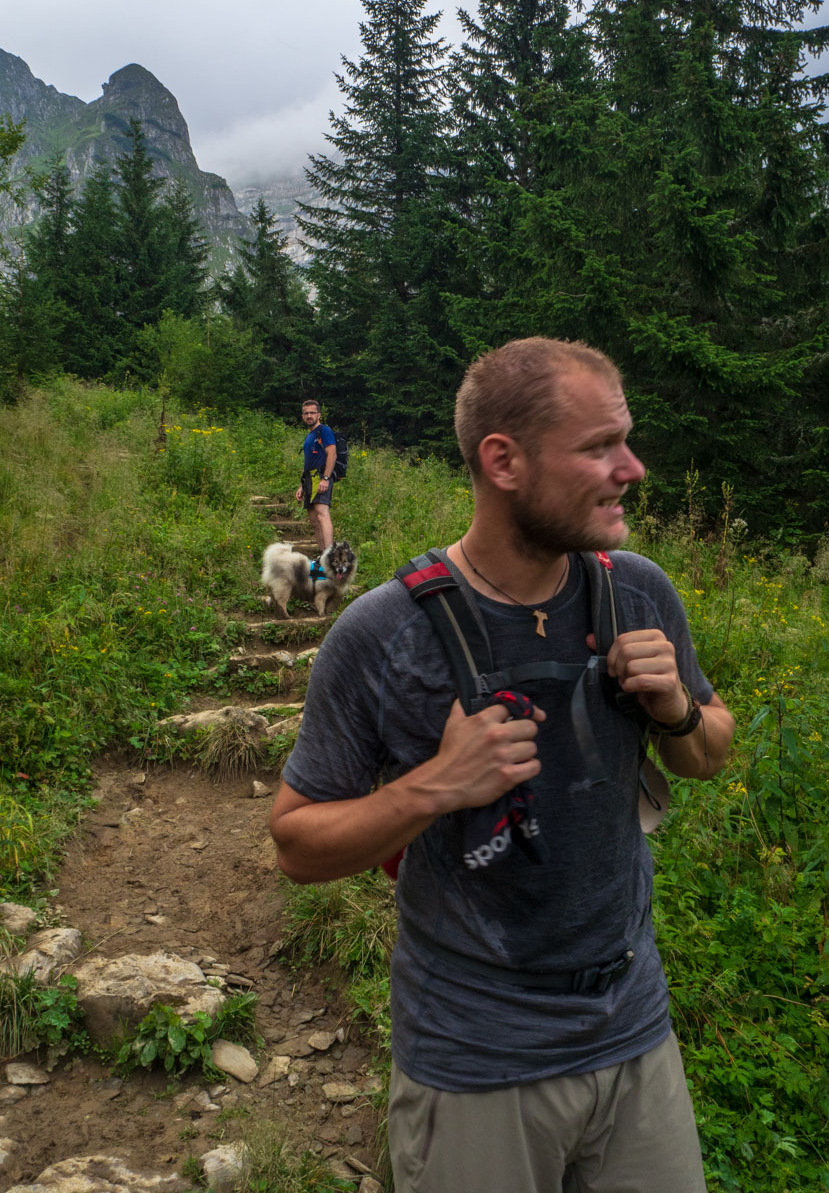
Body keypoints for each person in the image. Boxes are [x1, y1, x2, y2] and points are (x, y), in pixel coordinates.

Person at [270, 337, 734, 1193]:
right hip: (474, 1059)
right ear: (503, 460)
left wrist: (673, 710)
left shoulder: (636, 590)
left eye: (624, 441)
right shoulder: (379, 633)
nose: (629, 467)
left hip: (634, 1032)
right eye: (598, 447)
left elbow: (708, 752)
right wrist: (437, 786)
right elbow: (296, 844)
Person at [296, 398, 337, 549]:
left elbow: (332, 454)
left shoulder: (324, 431)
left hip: (320, 476)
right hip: (309, 479)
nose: (309, 416)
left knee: (322, 513)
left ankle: (330, 556)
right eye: (306, 413)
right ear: (302, 416)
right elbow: (308, 461)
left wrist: (325, 478)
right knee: (314, 519)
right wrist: (301, 486)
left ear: (319, 415)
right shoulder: (309, 436)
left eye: (312, 413)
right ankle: (323, 555)